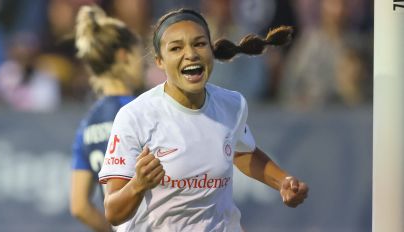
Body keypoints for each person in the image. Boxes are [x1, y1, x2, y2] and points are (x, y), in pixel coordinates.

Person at [99, 8, 308, 231]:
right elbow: (113, 213)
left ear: (211, 50)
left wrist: (283, 181)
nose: (190, 54)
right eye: (176, 48)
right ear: (160, 61)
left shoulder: (232, 105)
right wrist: (138, 185)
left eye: (199, 44)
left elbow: (242, 152)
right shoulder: (135, 116)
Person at [70, 5, 145, 232]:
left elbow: (79, 206)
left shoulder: (87, 124)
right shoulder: (142, 111)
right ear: (124, 56)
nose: (144, 63)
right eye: (139, 55)